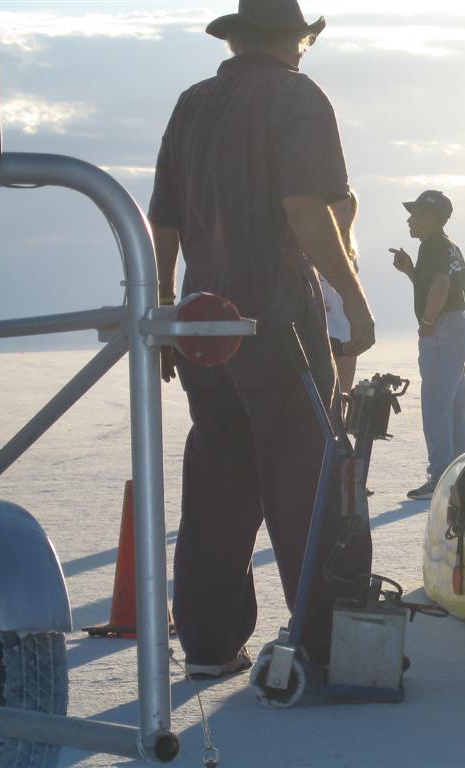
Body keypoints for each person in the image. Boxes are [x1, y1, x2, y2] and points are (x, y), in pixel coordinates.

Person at [148, 0, 376, 677]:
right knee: (304, 480)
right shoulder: (297, 97)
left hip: (202, 326)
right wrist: (355, 302)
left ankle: (211, 646)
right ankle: (324, 645)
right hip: (277, 323)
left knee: (217, 480)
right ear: (294, 42)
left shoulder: (193, 103)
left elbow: (161, 221)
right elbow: (307, 208)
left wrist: (164, 306)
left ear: (238, 40)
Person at [390, 190, 465, 500]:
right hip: (456, 328)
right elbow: (435, 283)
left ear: (430, 217)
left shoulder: (433, 245)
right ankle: (460, 475)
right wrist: (411, 271)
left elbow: (441, 285)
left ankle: (441, 477)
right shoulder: (447, 247)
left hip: (442, 329)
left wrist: (427, 324)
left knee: (436, 408)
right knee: (453, 408)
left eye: (415, 214)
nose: (409, 219)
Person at [320, 189, 361, 398]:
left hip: (346, 331)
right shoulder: (314, 246)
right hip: (324, 331)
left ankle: (342, 430)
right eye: (339, 208)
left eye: (348, 209)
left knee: (344, 395)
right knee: (325, 395)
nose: (343, 214)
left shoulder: (350, 251)